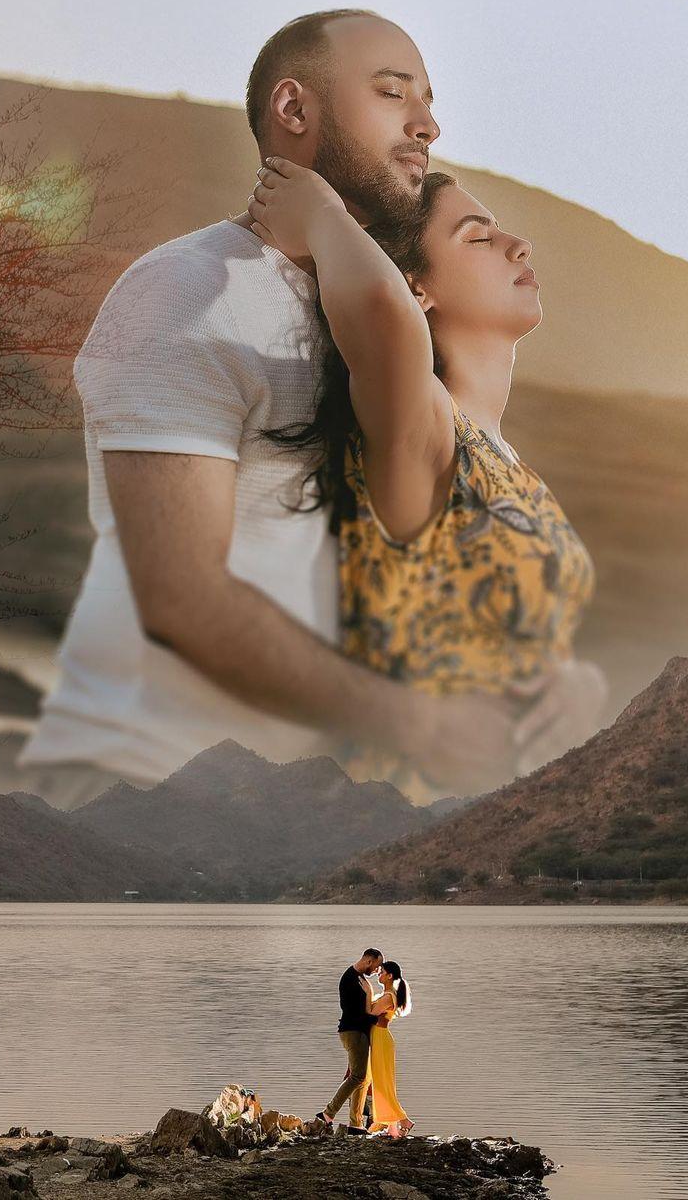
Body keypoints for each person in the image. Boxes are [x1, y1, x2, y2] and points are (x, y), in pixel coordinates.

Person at [12, 9, 562, 808]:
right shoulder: (191, 292)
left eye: (429, 99)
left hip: (340, 804)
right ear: (295, 111)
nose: (427, 124)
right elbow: (182, 599)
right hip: (156, 799)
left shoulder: (392, 328)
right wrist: (420, 725)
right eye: (391, 92)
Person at [245, 157, 609, 798]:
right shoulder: (421, 435)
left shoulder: (504, 463)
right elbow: (381, 320)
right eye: (476, 236)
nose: (517, 245)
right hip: (408, 818)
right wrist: (321, 213)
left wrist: (580, 688)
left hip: (504, 818)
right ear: (418, 290)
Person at [318, 947, 383, 1134]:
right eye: (376, 966)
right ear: (369, 961)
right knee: (357, 1076)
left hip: (358, 1032)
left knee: (364, 1078)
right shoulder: (350, 979)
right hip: (353, 1032)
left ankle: (356, 1124)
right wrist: (375, 1019)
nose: (377, 971)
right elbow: (354, 1013)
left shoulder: (359, 978)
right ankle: (328, 1113)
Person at [364, 960, 414, 1136]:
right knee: (382, 1083)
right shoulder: (387, 993)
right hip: (379, 1038)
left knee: (383, 1082)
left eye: (382, 971)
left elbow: (370, 1012)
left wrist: (367, 990)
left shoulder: (387, 997)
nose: (379, 974)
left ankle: (404, 1119)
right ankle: (392, 1127)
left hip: (381, 1039)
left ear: (390, 975)